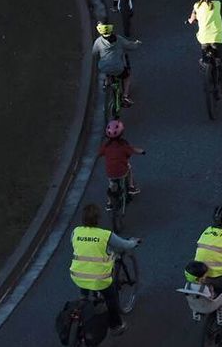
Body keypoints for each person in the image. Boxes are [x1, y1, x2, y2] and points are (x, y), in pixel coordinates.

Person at [70, 203, 140, 335]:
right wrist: (134, 242)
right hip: (100, 279)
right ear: (98, 219)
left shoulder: (76, 232)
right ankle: (116, 325)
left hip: (77, 275)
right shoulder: (105, 235)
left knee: (85, 278)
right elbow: (124, 245)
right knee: (110, 298)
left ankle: (83, 299)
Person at [188, 0, 222, 91]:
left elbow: (191, 19)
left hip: (203, 38)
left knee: (205, 53)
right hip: (216, 38)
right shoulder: (217, 4)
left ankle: (204, 62)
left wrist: (190, 21)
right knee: (220, 60)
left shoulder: (196, 6)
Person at [91, 20, 141, 105]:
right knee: (126, 77)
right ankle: (125, 96)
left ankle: (106, 83)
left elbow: (94, 53)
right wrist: (137, 43)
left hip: (103, 66)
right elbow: (130, 46)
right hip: (118, 67)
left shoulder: (98, 41)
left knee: (107, 68)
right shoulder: (119, 39)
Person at [99, 119, 144, 205]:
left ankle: (109, 203)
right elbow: (131, 151)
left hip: (110, 173)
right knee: (129, 168)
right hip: (122, 172)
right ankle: (131, 187)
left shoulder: (106, 146)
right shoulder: (123, 145)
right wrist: (142, 151)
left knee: (111, 185)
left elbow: (100, 153)